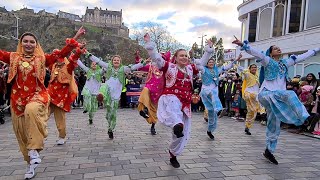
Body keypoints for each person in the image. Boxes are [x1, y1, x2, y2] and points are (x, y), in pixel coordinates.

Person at [0, 28, 84, 179]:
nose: (28, 44)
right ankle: (30, 163)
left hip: (38, 96)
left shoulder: (42, 59)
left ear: (36, 45)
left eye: (32, 42)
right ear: (20, 43)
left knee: (33, 111)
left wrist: (75, 38)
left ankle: (39, 145)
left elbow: (61, 55)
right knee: (22, 136)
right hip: (17, 101)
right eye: (25, 41)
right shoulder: (12, 57)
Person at [233, 38, 320, 165]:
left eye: (279, 48)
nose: (278, 49)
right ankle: (304, 118)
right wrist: (243, 45)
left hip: (277, 98)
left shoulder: (286, 63)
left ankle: (269, 150)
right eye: (275, 48)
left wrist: (316, 49)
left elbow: (303, 56)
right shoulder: (267, 61)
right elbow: (257, 53)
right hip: (266, 94)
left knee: (274, 124)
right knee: (290, 93)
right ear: (270, 53)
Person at [144, 33, 213, 168]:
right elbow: (157, 59)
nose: (184, 57)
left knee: (182, 133)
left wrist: (208, 49)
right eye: (181, 55)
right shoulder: (168, 66)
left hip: (185, 103)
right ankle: (176, 124)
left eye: (186, 55)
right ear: (175, 58)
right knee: (175, 109)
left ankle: (173, 153)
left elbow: (203, 63)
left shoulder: (190, 69)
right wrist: (150, 46)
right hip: (170, 98)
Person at [86, 52, 147, 139]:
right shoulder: (108, 66)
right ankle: (101, 95)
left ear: (120, 61)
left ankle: (110, 129)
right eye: (114, 60)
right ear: (112, 61)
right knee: (104, 86)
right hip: (107, 90)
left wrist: (144, 62)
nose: (116, 61)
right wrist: (88, 54)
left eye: (118, 60)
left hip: (115, 94)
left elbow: (134, 67)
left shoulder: (124, 69)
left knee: (111, 115)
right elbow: (98, 61)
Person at [47, 46, 85, 145]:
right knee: (42, 115)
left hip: (60, 98)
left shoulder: (68, 67)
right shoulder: (53, 66)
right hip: (49, 96)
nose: (56, 57)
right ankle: (37, 135)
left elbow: (73, 61)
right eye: (55, 55)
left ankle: (61, 136)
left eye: (58, 55)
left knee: (60, 119)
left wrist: (78, 52)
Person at [196, 56, 238, 139]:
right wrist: (193, 58)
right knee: (213, 95)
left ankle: (210, 130)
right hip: (206, 91)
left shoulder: (216, 70)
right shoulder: (204, 69)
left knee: (212, 114)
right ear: (207, 64)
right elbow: (198, 66)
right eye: (209, 62)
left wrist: (236, 60)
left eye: (212, 62)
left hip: (214, 93)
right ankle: (219, 110)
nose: (211, 63)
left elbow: (227, 67)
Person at [137, 53, 170, 135]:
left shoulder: (166, 69)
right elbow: (141, 67)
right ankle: (143, 109)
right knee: (145, 91)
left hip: (159, 92)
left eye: (161, 59)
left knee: (154, 110)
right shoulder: (151, 67)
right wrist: (139, 58)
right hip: (149, 87)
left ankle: (153, 126)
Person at [238, 63, 265, 135]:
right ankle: (262, 113)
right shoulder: (247, 74)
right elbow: (242, 70)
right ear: (249, 69)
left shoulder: (257, 76)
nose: (254, 69)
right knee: (257, 102)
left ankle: (247, 127)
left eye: (255, 67)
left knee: (251, 113)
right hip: (249, 94)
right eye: (252, 67)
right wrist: (235, 63)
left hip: (255, 95)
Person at [77, 59, 103, 125]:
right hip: (87, 89)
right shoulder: (88, 70)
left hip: (95, 92)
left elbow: (105, 68)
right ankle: (85, 108)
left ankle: (91, 118)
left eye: (95, 64)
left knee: (93, 108)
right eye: (92, 64)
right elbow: (82, 65)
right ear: (90, 65)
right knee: (87, 97)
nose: (94, 65)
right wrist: (76, 57)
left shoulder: (100, 71)